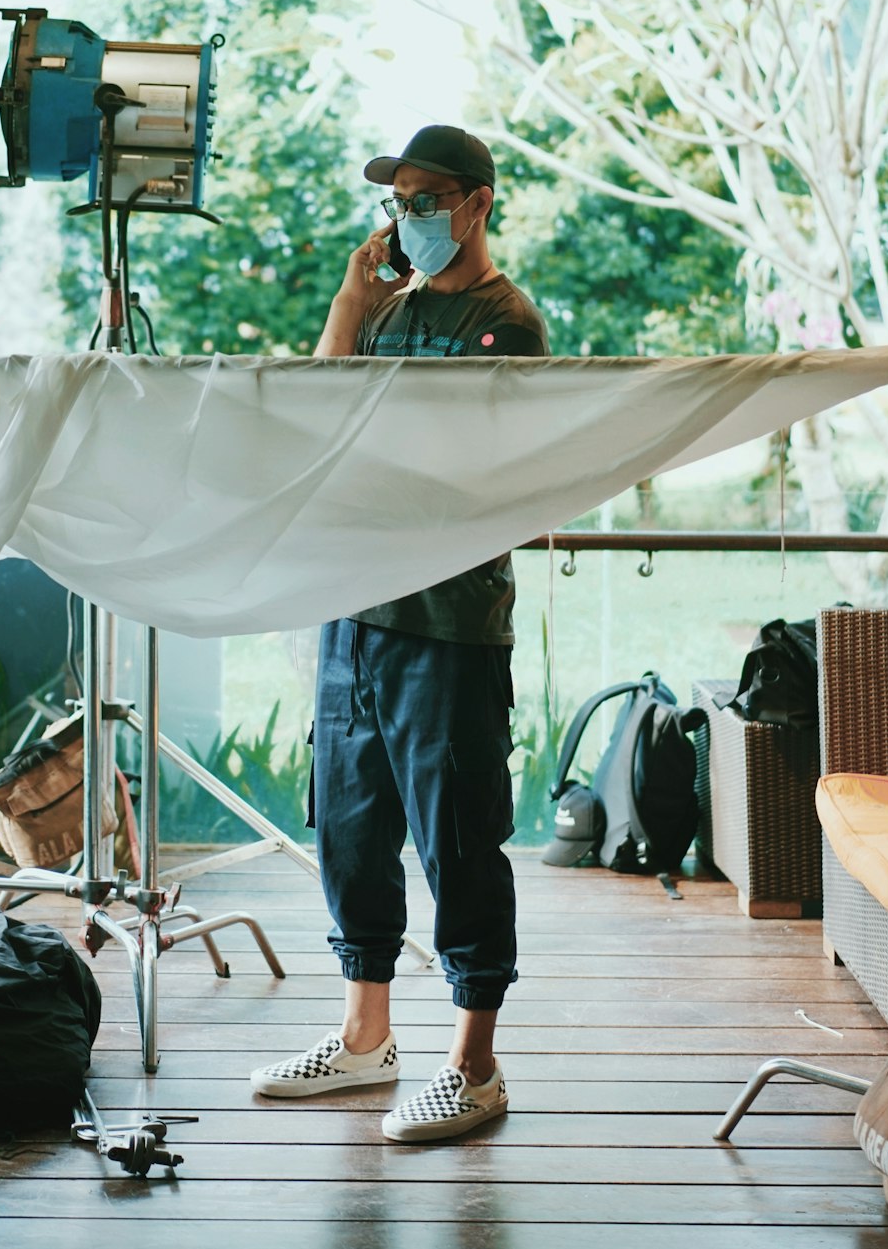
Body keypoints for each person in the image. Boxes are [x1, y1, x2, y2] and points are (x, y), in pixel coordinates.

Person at [249, 124, 549, 1142]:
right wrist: (348, 302)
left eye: (425, 200)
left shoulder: (503, 318)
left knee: (458, 836)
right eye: (396, 203)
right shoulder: (386, 310)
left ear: (477, 203)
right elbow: (321, 424)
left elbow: (478, 471)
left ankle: (472, 1064)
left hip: (449, 625)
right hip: (356, 610)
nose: (407, 219)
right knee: (348, 824)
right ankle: (366, 1037)